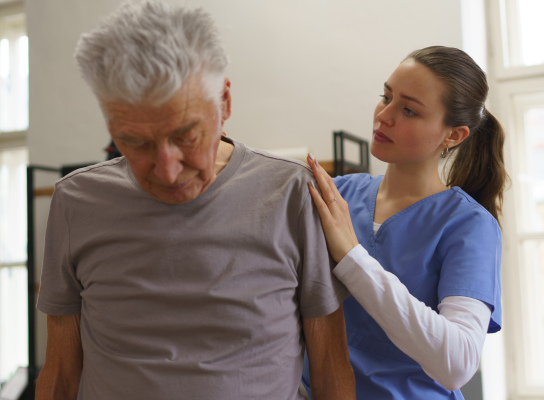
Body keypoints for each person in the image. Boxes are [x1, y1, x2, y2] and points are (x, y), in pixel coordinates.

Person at [35, 1, 355, 399]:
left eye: (187, 137)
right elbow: (61, 373)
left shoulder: (291, 194)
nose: (167, 171)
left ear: (224, 103)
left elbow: (331, 369)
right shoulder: (76, 202)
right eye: (135, 143)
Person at [301, 46, 506, 399]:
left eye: (409, 110)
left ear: (453, 135)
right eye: (386, 96)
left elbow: (457, 363)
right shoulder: (337, 194)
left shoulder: (469, 225)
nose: (384, 116)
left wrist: (352, 258)